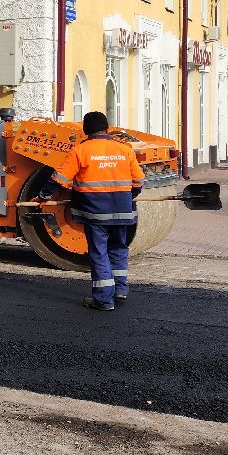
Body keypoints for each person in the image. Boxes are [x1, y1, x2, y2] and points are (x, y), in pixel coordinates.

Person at [40, 111, 144, 311]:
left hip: (95, 211)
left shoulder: (81, 150)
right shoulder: (125, 149)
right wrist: (126, 198)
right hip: (122, 210)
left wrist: (43, 196)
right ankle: (120, 290)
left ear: (85, 130)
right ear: (107, 128)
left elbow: (59, 179)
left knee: (99, 252)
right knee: (119, 248)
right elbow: (138, 181)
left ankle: (104, 299)